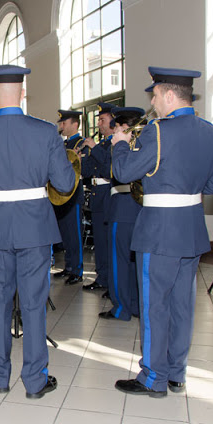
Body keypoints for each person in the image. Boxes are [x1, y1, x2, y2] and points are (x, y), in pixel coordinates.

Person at [111, 67, 213, 398]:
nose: (152, 102)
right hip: (191, 228)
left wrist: (120, 144)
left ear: (168, 95)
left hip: (159, 231)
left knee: (154, 305)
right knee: (182, 305)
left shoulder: (157, 133)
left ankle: (152, 376)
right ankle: (177, 373)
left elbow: (122, 172)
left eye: (154, 95)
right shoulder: (212, 133)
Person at [0, 65, 75, 398]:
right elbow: (66, 183)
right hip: (35, 227)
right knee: (34, 304)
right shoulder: (45, 132)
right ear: (23, 93)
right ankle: (36, 380)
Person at [98, 107, 145, 321]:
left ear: (124, 127)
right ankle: (135, 305)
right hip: (142, 209)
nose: (113, 129)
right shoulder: (146, 144)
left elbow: (114, 172)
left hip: (123, 206)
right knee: (136, 261)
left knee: (119, 261)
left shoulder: (119, 145)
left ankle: (121, 308)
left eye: (116, 125)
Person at [80, 102, 116, 291]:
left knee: (109, 241)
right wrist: (80, 159)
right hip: (96, 195)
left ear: (113, 122)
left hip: (108, 194)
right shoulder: (101, 144)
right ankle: (102, 277)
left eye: (103, 120)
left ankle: (112, 281)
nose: (100, 124)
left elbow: (108, 168)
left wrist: (94, 148)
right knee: (100, 241)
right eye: (99, 120)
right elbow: (88, 171)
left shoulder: (116, 143)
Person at [54, 109, 86, 285]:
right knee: (65, 233)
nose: (61, 126)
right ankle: (68, 266)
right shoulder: (63, 145)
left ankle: (78, 269)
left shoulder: (82, 143)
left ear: (74, 124)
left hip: (74, 195)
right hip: (61, 196)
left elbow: (83, 169)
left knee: (74, 234)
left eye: (64, 123)